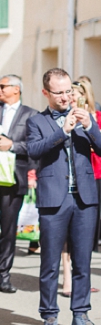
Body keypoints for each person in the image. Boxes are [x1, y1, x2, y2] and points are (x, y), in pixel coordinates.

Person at [27, 68, 101, 325]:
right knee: (50, 263)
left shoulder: (84, 117)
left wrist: (89, 126)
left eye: (68, 92)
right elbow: (34, 151)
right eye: (59, 93)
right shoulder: (36, 121)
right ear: (46, 93)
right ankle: (49, 317)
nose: (65, 97)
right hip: (54, 200)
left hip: (84, 198)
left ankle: (81, 315)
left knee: (83, 262)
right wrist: (62, 131)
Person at [0, 74, 37, 293]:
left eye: (3, 86)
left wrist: (12, 144)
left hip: (13, 178)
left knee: (8, 228)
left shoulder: (30, 115)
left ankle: (3, 274)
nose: (0, 89)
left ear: (16, 89)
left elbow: (34, 146)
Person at [72, 80, 101, 254]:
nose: (69, 98)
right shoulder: (69, 116)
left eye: (73, 94)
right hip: (75, 170)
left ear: (83, 96)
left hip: (97, 170)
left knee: (92, 211)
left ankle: (89, 248)